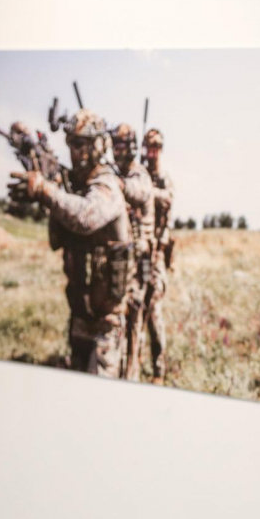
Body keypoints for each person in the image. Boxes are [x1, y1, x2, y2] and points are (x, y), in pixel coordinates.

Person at [9, 109, 133, 377]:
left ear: (98, 146)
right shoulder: (75, 184)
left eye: (79, 144)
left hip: (106, 321)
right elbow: (58, 233)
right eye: (70, 144)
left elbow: (85, 216)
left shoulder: (107, 184)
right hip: (80, 315)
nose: (73, 152)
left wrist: (45, 191)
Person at [111, 122, 158, 381]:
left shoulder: (139, 175)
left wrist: (113, 183)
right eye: (114, 146)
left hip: (140, 266)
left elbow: (135, 191)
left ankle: (132, 378)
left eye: (121, 146)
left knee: (134, 329)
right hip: (123, 268)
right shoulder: (117, 173)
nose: (117, 151)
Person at [141, 128, 175, 383]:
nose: (151, 153)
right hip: (139, 254)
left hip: (156, 256)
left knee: (154, 311)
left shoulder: (163, 178)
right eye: (148, 148)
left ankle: (159, 369)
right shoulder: (140, 173)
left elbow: (166, 200)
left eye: (155, 148)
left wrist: (142, 189)